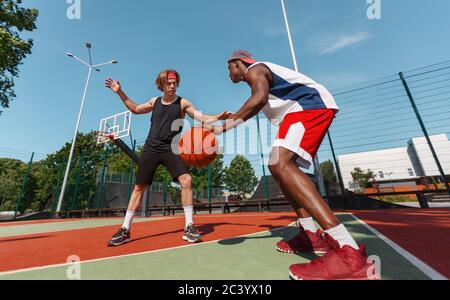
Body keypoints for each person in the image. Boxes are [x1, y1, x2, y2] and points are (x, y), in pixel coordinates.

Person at [213, 50, 374, 280]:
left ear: (237, 63)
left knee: (280, 163)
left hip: (309, 106)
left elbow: (258, 100)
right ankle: (310, 234)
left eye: (228, 67)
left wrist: (227, 125)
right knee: (278, 167)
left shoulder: (254, 70)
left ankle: (347, 251)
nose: (228, 72)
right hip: (302, 110)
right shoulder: (259, 74)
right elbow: (258, 99)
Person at [105, 69, 231, 246]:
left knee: (186, 180)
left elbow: (201, 117)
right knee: (139, 187)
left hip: (172, 148)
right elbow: (134, 109)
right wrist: (119, 91)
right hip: (151, 148)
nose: (172, 86)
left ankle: (189, 226)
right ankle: (125, 229)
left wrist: (218, 117)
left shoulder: (182, 103)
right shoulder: (154, 101)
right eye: (169, 83)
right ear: (162, 84)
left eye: (175, 83)